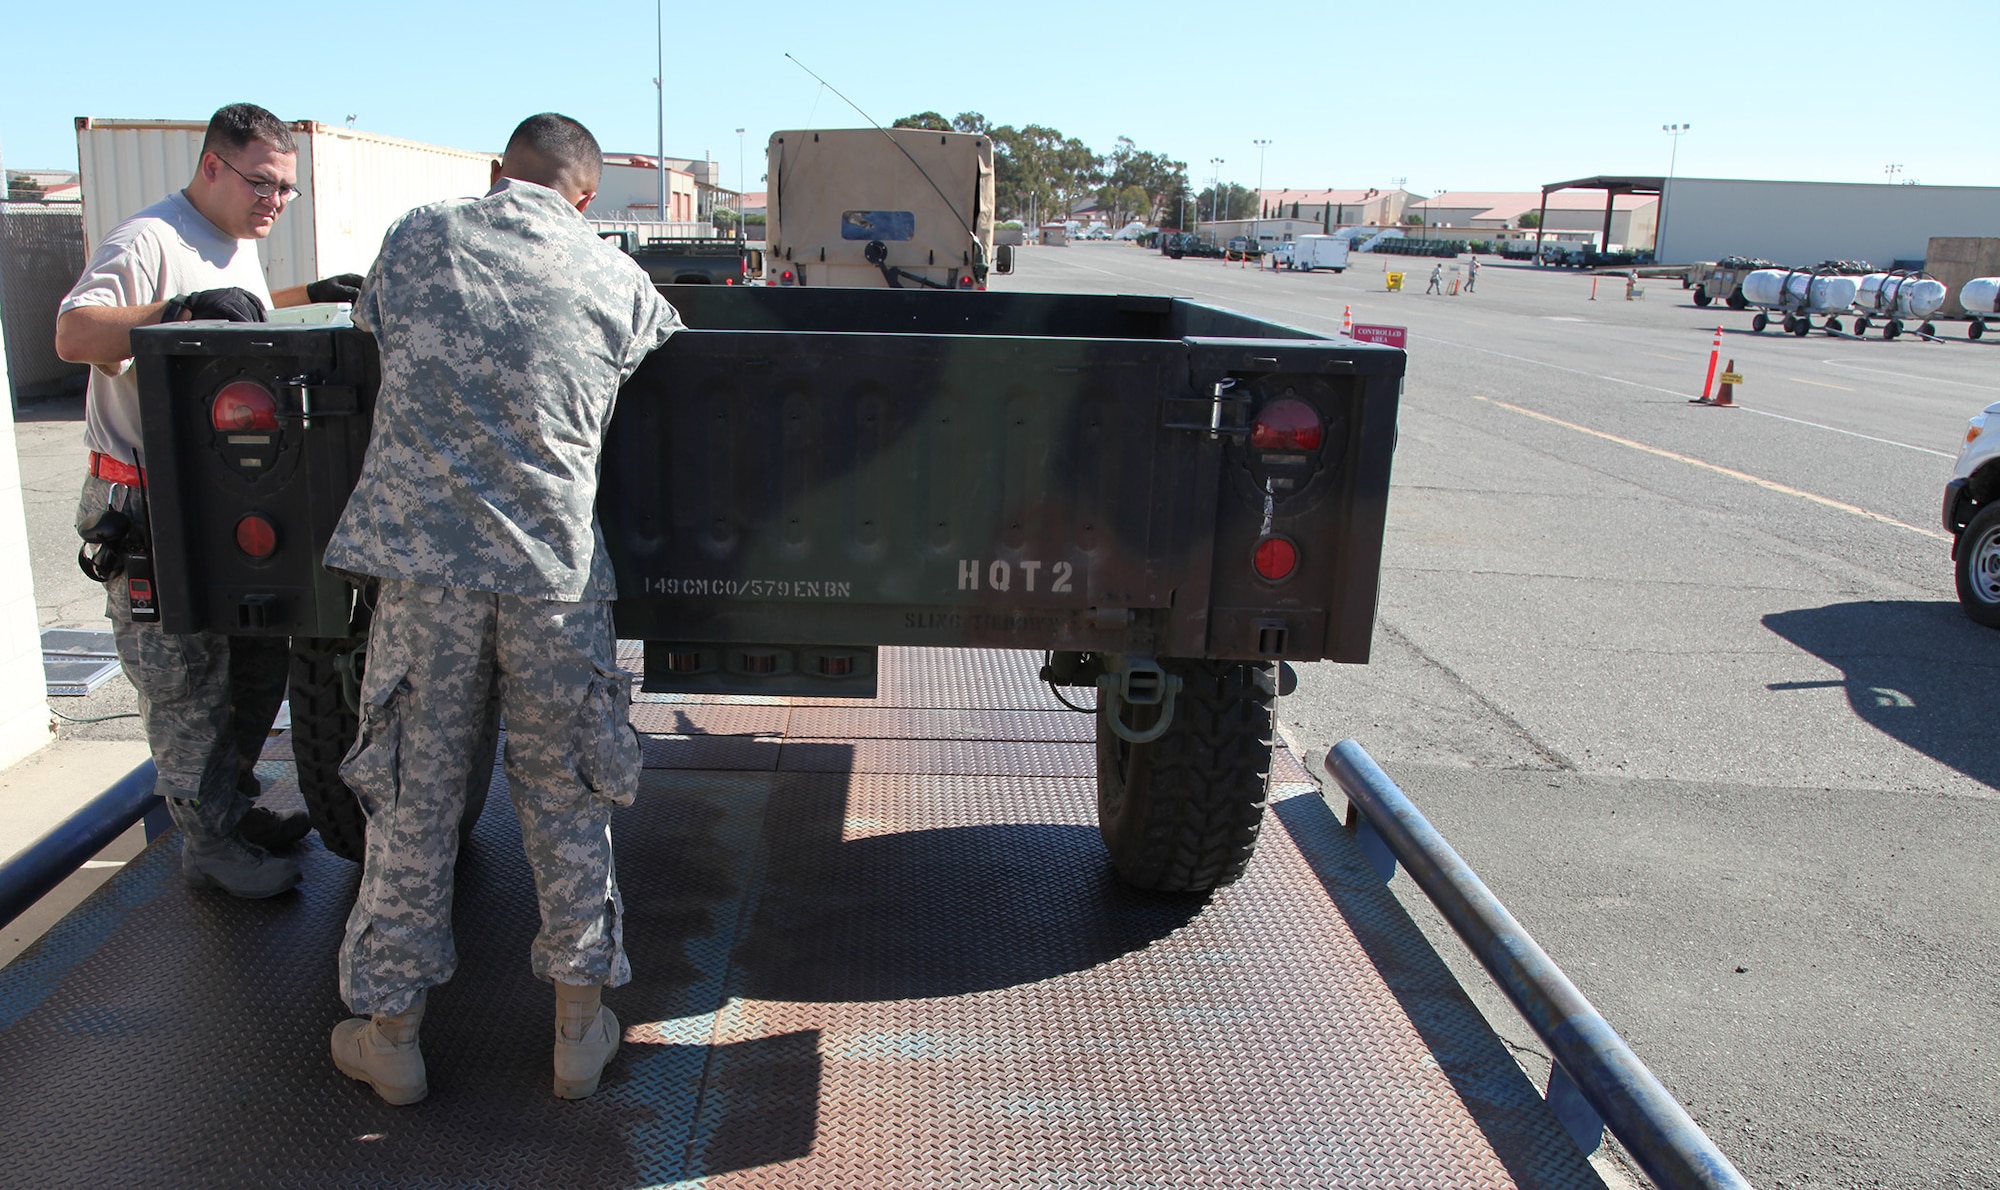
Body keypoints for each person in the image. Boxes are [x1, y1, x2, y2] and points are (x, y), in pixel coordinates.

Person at [323, 113, 682, 1106]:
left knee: (412, 800)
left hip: (426, 579)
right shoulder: (615, 278)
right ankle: (576, 1030)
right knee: (569, 800)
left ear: (496, 175)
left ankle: (390, 1034)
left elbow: (373, 326)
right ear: (583, 196)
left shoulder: (418, 235)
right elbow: (659, 348)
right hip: (552, 583)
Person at [54, 103, 365, 900]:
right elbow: (76, 332)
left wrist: (305, 293)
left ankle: (229, 812)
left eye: (287, 189)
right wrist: (172, 314)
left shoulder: (231, 241)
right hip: (153, 505)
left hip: (222, 497)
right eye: (262, 182)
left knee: (257, 661)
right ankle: (207, 846)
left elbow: (233, 312)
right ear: (213, 167)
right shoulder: (150, 238)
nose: (275, 200)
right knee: (185, 681)